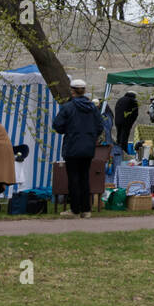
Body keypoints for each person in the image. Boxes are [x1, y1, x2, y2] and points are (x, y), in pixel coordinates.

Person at [52, 79, 104, 219]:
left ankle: (75, 209)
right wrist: (90, 135)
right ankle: (86, 209)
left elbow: (57, 125)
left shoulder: (68, 107)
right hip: (88, 147)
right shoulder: (93, 108)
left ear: (72, 91)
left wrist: (68, 130)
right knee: (85, 177)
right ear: (84, 91)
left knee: (73, 178)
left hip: (72, 146)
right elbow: (100, 126)